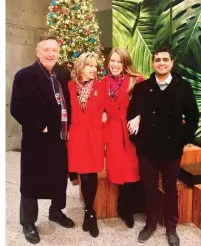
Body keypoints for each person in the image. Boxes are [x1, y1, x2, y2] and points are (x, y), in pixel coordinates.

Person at [127, 47, 199, 246]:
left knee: (170, 189)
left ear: (171, 63)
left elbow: (193, 117)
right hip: (147, 150)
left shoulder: (182, 87)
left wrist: (182, 139)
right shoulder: (142, 88)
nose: (161, 63)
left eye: (165, 60)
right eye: (157, 60)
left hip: (171, 150)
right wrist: (138, 140)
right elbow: (131, 115)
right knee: (149, 188)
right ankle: (150, 224)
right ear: (153, 63)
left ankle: (171, 227)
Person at [10, 34, 75, 244]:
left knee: (58, 178)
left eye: (54, 50)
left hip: (60, 138)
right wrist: (41, 126)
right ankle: (28, 223)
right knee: (31, 182)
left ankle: (56, 212)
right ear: (38, 52)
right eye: (46, 50)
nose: (50, 54)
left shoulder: (63, 73)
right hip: (37, 139)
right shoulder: (25, 76)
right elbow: (16, 108)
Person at [103, 47, 143, 228]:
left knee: (131, 167)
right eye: (112, 60)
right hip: (111, 130)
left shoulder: (136, 80)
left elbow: (148, 104)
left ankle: (129, 208)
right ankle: (122, 206)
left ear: (125, 63)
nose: (115, 65)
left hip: (129, 130)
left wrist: (139, 117)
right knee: (117, 167)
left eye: (119, 61)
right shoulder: (103, 82)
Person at [67, 52, 105, 238]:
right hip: (77, 137)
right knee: (83, 174)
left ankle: (90, 213)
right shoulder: (69, 86)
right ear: (80, 67)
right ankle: (89, 211)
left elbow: (111, 108)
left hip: (95, 137)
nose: (93, 69)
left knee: (92, 174)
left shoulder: (100, 87)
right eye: (89, 65)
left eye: (95, 66)